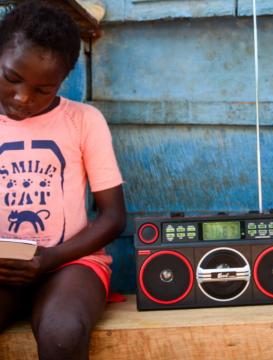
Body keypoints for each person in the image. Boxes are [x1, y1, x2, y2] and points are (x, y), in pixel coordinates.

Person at [0, 1, 126, 359]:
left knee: (63, 333)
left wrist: (50, 258)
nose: (23, 98)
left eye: (44, 90)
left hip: (72, 262)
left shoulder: (84, 121)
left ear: (64, 79)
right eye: (12, 78)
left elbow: (114, 217)